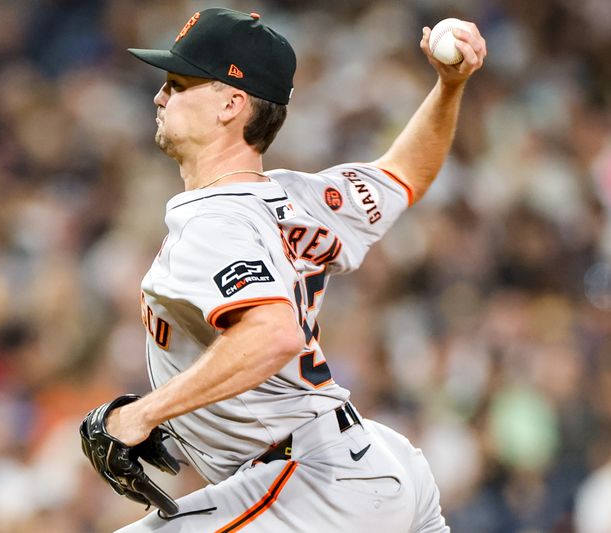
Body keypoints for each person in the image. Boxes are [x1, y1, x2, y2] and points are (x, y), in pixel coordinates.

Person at [93, 7, 486, 532]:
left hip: (313, 485)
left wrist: (142, 415)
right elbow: (404, 172)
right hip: (371, 465)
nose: (161, 96)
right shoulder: (299, 198)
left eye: (179, 83)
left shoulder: (215, 220)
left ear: (231, 104)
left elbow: (272, 334)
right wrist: (449, 87)